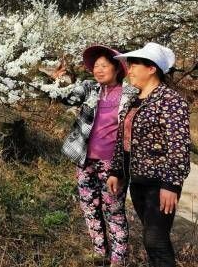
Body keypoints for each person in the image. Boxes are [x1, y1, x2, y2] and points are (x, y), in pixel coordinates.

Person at [106, 42, 191, 267]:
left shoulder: (171, 101)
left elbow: (179, 145)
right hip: (138, 181)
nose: (129, 69)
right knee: (150, 236)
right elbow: (122, 140)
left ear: (152, 68)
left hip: (160, 184)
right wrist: (116, 170)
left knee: (155, 239)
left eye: (134, 65)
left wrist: (171, 185)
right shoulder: (134, 100)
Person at [59, 45, 138, 266]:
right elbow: (66, 99)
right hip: (85, 160)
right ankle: (99, 250)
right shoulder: (89, 88)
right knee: (89, 205)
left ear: (117, 68)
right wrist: (58, 82)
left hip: (113, 163)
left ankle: (118, 259)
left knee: (113, 208)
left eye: (104, 65)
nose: (99, 70)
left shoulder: (129, 94)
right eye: (95, 66)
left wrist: (122, 167)